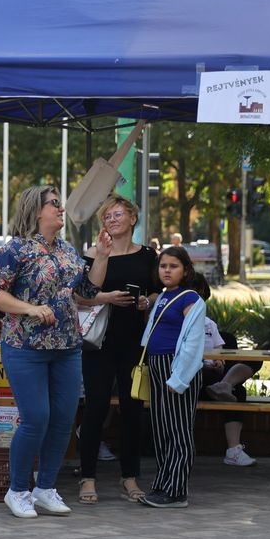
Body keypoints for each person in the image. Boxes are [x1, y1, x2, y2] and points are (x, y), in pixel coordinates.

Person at [0, 185, 109, 519]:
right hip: (25, 346)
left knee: (63, 419)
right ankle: (17, 490)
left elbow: (87, 290)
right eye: (54, 203)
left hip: (67, 346)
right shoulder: (15, 249)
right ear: (35, 210)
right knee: (36, 418)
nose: (61, 209)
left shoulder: (67, 249)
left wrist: (101, 256)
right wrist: (29, 308)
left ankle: (45, 488)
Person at [74, 196, 157, 505]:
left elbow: (158, 291)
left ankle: (129, 476)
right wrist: (107, 298)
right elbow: (80, 296)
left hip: (134, 340)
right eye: (106, 216)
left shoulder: (148, 255)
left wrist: (146, 301)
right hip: (99, 341)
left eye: (117, 214)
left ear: (133, 218)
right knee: (95, 408)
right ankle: (88, 477)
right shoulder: (93, 254)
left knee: (132, 409)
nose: (111, 219)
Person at [136, 246, 207, 509]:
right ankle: (163, 485)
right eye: (163, 266)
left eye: (173, 266)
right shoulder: (165, 295)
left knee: (178, 432)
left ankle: (177, 491)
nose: (167, 271)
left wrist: (179, 379)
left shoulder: (191, 299)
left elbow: (193, 343)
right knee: (162, 430)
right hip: (157, 366)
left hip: (175, 369)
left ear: (186, 270)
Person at [192, 273, 258, 467]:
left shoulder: (209, 325)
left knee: (253, 363)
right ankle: (225, 386)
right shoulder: (173, 324)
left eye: (200, 297)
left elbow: (219, 351)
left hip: (214, 375)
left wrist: (219, 362)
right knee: (237, 392)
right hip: (190, 377)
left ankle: (225, 385)